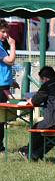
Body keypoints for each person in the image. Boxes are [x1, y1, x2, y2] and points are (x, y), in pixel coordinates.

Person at [0, 19, 17, 153]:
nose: (6, 35)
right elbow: (10, 61)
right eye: (3, 32)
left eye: (7, 32)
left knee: (2, 118)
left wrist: (11, 81)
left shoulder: (1, 46)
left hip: (4, 86)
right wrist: (13, 45)